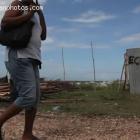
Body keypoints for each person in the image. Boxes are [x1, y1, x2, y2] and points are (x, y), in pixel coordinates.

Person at [0, 0, 46, 139]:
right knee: (28, 97)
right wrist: (30, 13)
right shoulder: (19, 4)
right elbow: (5, 22)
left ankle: (27, 134)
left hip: (33, 58)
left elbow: (43, 36)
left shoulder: (36, 11)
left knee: (34, 99)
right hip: (19, 56)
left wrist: (40, 12)